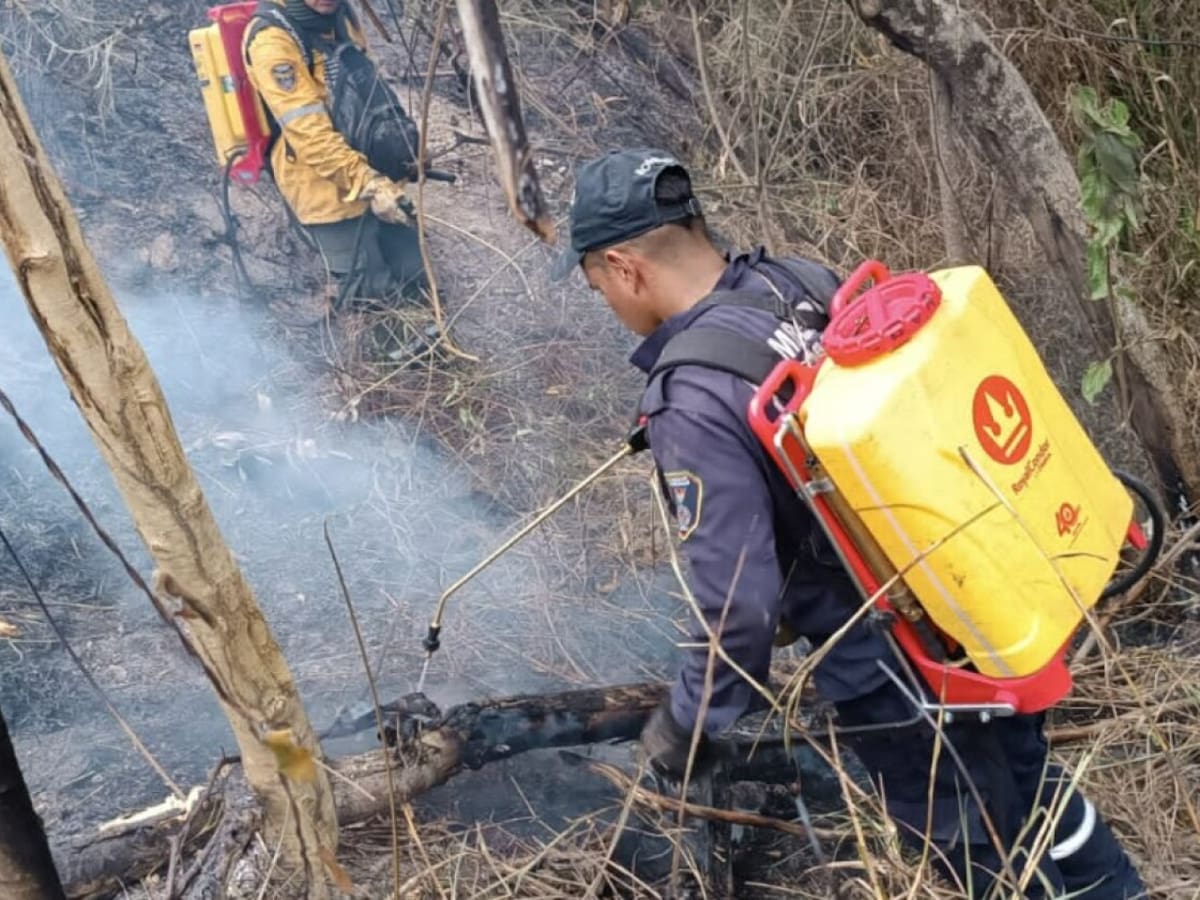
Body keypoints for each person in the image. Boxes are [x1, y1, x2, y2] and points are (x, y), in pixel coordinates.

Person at [550, 147, 1147, 899]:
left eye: (597, 281)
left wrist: (682, 727)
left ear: (624, 267)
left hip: (896, 668)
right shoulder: (794, 279)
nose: (606, 300)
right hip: (974, 599)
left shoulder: (690, 397)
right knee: (1031, 786)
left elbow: (738, 608)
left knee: (978, 851)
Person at [243, 0, 427, 308]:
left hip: (376, 177)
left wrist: (402, 147)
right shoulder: (271, 40)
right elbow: (311, 137)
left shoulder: (342, 15)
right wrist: (369, 183)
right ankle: (376, 353)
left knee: (416, 274)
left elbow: (369, 89)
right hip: (326, 193)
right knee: (371, 297)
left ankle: (432, 349)